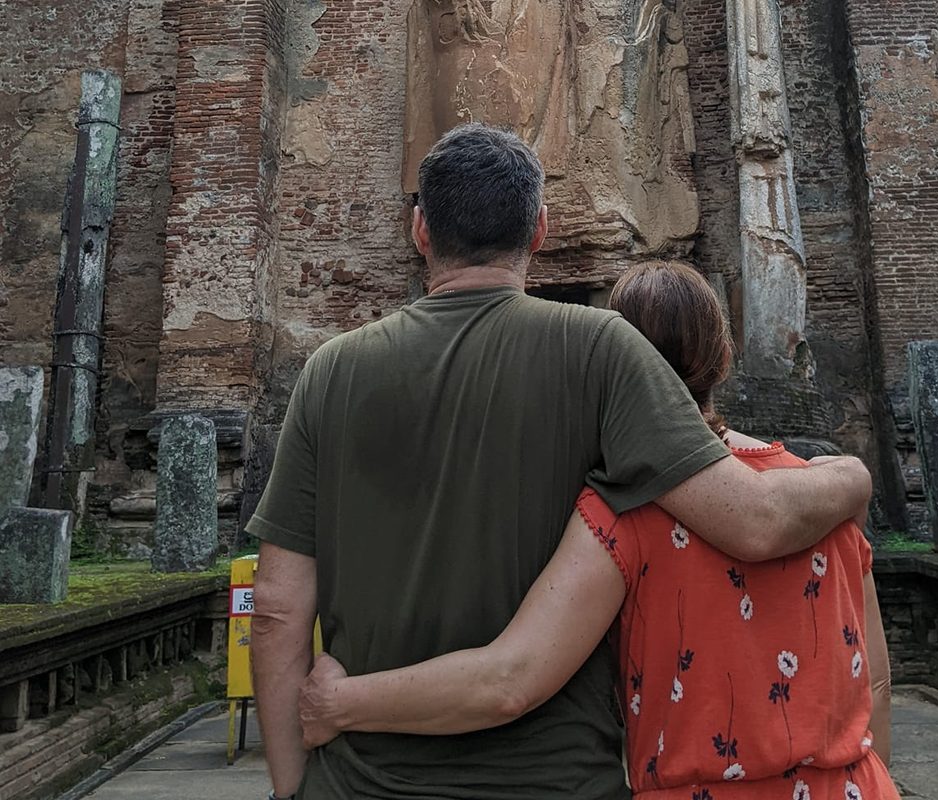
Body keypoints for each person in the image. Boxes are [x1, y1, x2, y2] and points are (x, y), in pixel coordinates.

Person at [249, 124, 873, 800]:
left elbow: (278, 611)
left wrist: (292, 788)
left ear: (420, 230)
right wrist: (850, 472)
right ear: (540, 229)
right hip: (554, 781)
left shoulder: (330, 372)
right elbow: (755, 521)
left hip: (358, 782)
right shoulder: (598, 350)